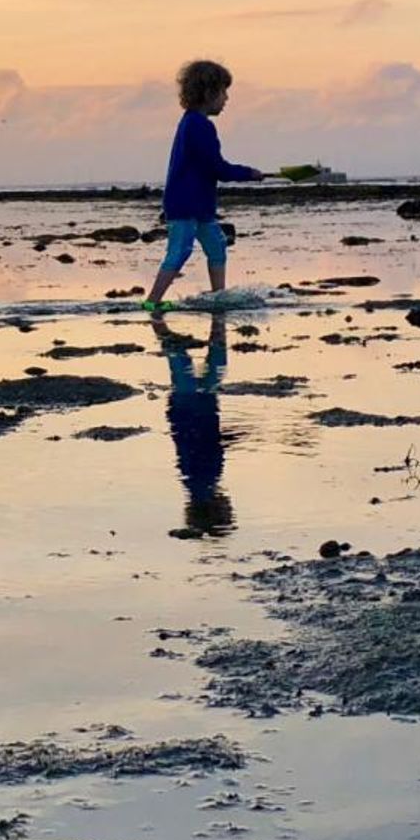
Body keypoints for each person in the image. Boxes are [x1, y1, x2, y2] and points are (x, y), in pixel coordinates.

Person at [146, 57, 260, 307]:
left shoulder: (191, 122)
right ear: (208, 93)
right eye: (223, 92)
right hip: (185, 205)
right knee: (179, 251)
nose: (226, 99)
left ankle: (218, 296)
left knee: (217, 245)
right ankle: (152, 302)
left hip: (199, 206)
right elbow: (217, 167)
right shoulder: (198, 126)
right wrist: (248, 173)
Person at [156, 306, 236, 539]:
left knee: (191, 366)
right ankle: (216, 326)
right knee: (210, 369)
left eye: (227, 511)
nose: (229, 505)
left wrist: (232, 438)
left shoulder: (204, 481)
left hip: (191, 412)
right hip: (193, 413)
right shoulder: (198, 484)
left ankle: (172, 332)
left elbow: (209, 447)